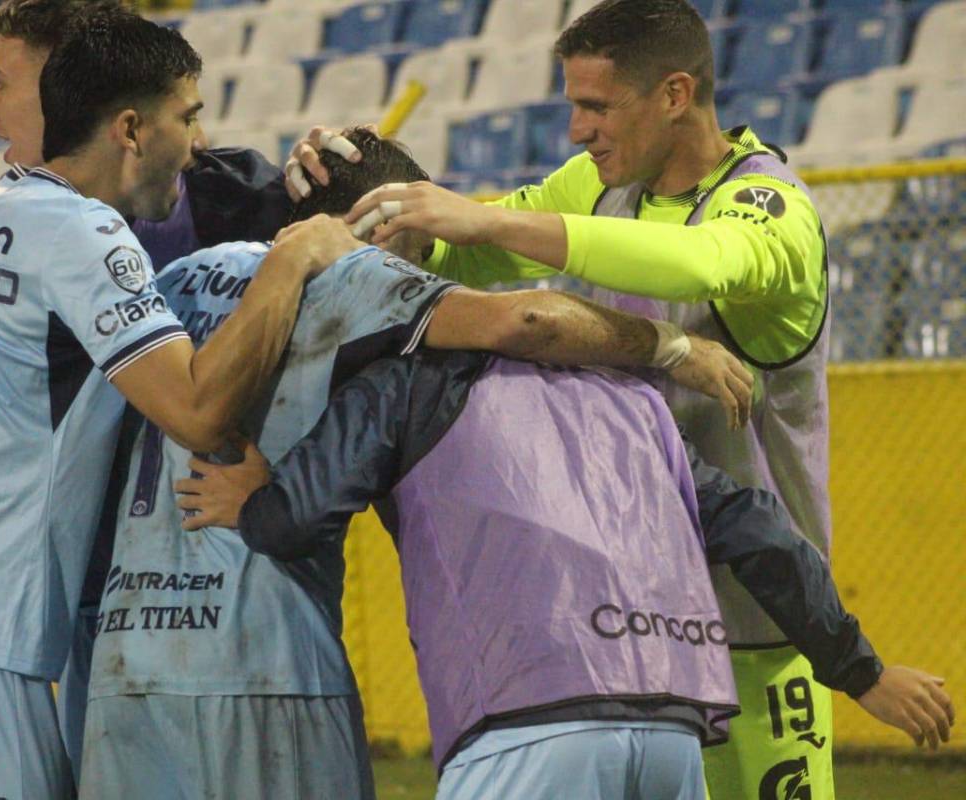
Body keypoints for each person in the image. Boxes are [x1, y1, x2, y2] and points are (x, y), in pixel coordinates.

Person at [79, 128, 753, 799]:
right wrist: (670, 347)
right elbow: (527, 323)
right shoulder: (357, 274)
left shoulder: (178, 275)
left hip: (124, 662)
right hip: (266, 660)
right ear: (375, 224)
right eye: (419, 250)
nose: (426, 272)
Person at [291, 1, 846, 795]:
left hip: (751, 616)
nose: (578, 131)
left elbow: (701, 264)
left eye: (596, 107)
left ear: (675, 94)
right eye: (573, 106)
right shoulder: (597, 183)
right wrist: (363, 192)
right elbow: (464, 251)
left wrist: (482, 220)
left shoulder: (772, 208)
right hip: (636, 615)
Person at [0, 12, 338, 798]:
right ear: (133, 129)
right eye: (189, 117)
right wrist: (298, 254)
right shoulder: (83, 236)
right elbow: (199, 413)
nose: (198, 139)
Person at [175, 347, 955, 800]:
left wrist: (258, 500)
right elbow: (762, 531)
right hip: (673, 729)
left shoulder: (406, 382)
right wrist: (861, 673)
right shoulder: (633, 403)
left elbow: (289, 523)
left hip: (527, 729)